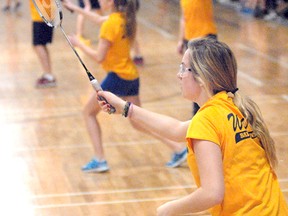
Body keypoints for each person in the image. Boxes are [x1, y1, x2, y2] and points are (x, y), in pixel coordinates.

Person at [97, 38, 288, 215]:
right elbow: (176, 129)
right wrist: (124, 108)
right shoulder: (231, 106)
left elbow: (212, 193)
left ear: (202, 77)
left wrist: (167, 209)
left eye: (183, 68)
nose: (178, 75)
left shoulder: (207, 119)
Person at [63, 0, 186, 172]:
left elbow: (99, 57)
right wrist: (76, 8)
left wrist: (78, 43)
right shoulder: (125, 18)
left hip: (117, 78)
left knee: (88, 113)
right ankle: (179, 148)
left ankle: (99, 159)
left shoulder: (110, 24)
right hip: (131, 76)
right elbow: (99, 20)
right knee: (139, 121)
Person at [177, 0, 217, 116]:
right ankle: (198, 113)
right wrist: (181, 40)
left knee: (206, 80)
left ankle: (211, 111)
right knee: (193, 79)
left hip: (206, 39)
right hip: (190, 40)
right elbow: (184, 18)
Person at [30, 0, 56, 88]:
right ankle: (48, 74)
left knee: (38, 45)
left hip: (41, 15)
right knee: (42, 44)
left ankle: (49, 76)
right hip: (47, 13)